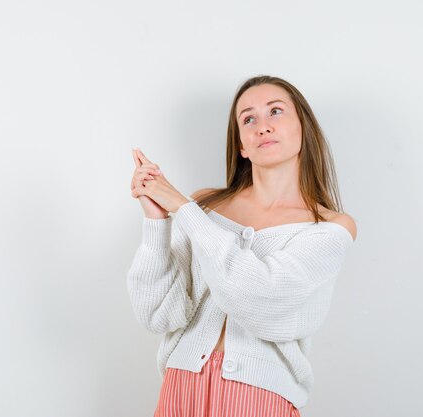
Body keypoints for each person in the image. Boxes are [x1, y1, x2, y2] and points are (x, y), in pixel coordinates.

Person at [127, 75, 357, 417]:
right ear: (241, 146)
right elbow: (158, 314)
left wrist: (183, 209)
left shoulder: (329, 227)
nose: (262, 126)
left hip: (261, 400)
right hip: (180, 390)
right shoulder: (205, 207)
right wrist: (157, 222)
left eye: (275, 112)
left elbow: (258, 298)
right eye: (248, 119)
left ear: (303, 129)